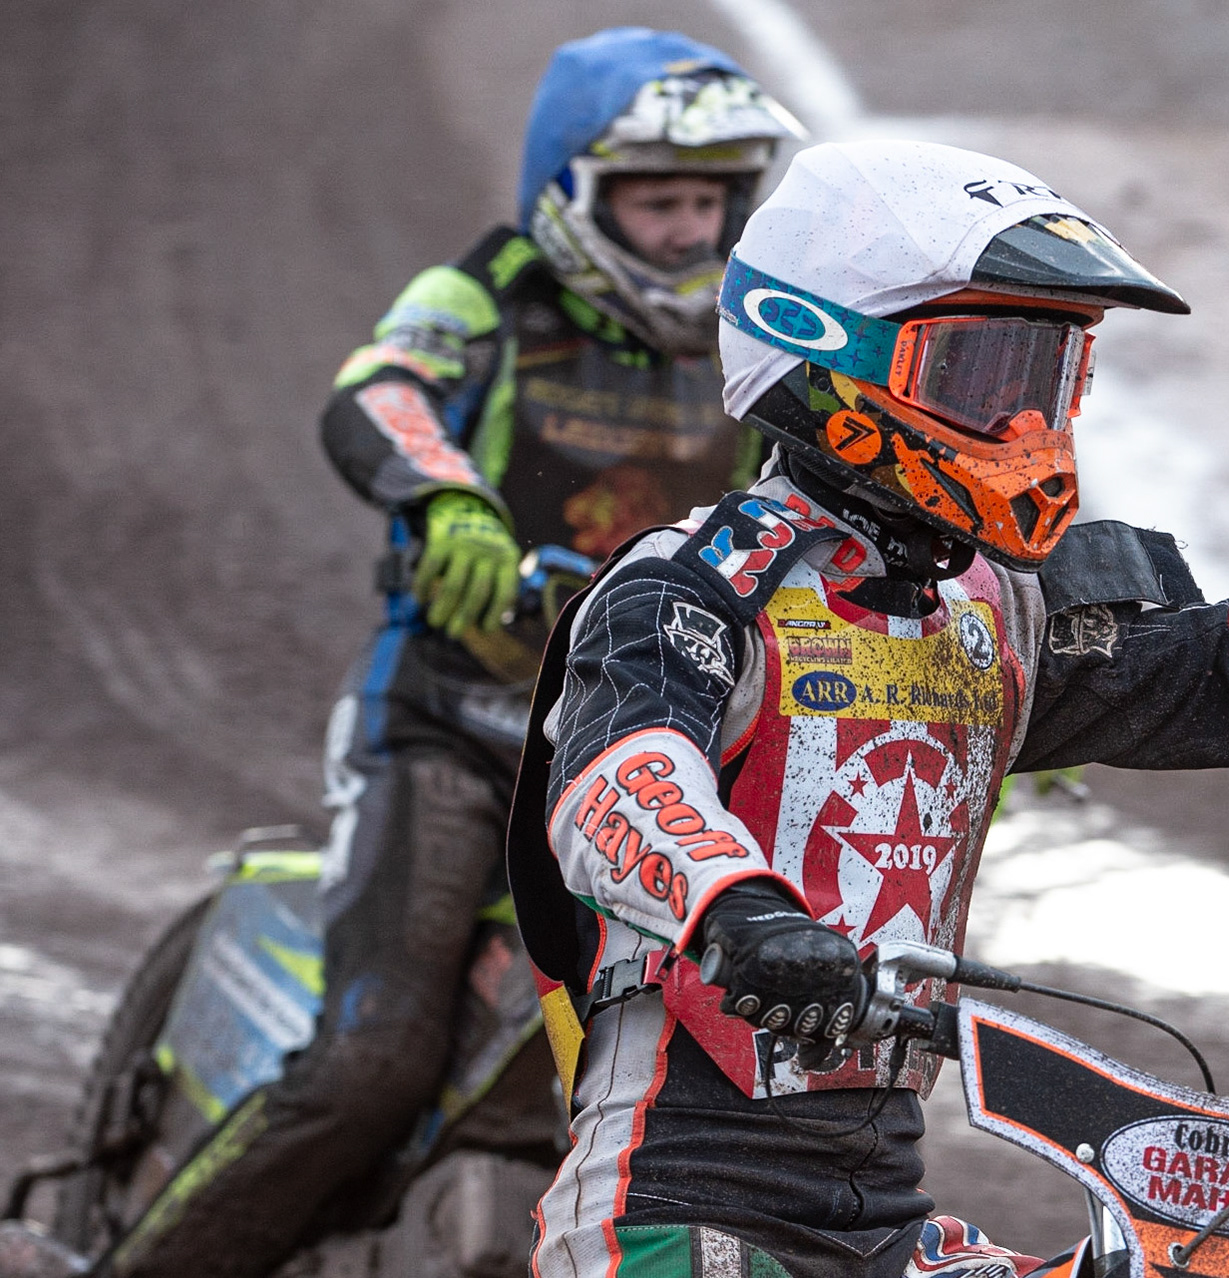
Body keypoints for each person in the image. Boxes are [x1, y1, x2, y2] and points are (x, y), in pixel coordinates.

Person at [505, 139, 1229, 1278]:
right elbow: (613, 780)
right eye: (979, 376)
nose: (1024, 421)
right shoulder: (689, 586)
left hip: (883, 1211)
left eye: (1046, 377)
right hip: (675, 1204)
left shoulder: (994, 614)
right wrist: (743, 913)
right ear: (823, 353)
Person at [103, 29, 803, 1278]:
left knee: (759, 1065)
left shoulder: (759, 348)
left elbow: (825, 506)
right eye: (658, 200)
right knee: (369, 1062)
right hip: (453, 728)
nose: (690, 230)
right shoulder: (486, 289)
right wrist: (445, 498)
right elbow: (380, 387)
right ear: (575, 192)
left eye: (712, 198)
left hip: (656, 748)